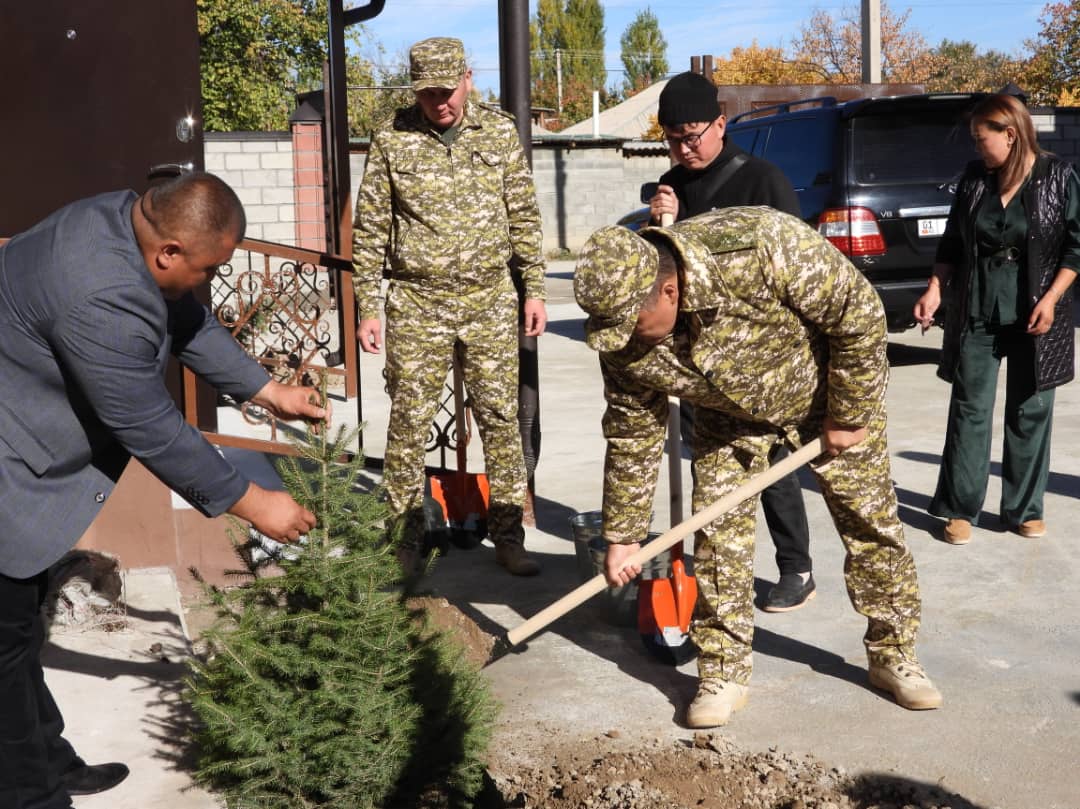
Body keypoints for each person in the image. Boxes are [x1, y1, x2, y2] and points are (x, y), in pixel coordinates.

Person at [0, 171, 327, 809]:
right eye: (208, 270)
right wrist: (256, 502)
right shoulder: (99, 294)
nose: (208, 281)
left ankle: (50, 762)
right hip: (8, 468)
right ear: (168, 253)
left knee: (14, 642)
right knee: (3, 653)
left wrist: (267, 390)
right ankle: (31, 796)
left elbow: (187, 319)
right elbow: (147, 423)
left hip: (20, 455)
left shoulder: (123, 215)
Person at [573, 206, 942, 728]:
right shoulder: (622, 341)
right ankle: (722, 671)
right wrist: (624, 534)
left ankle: (893, 653)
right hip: (729, 417)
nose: (623, 340)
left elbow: (859, 314)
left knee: (869, 524)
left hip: (826, 396)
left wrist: (849, 413)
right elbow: (633, 431)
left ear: (669, 292)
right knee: (719, 539)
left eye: (630, 323)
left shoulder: (757, 247)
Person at [351, 37, 547, 576]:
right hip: (418, 300)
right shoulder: (393, 137)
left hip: (488, 298)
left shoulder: (499, 131)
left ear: (467, 76)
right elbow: (370, 230)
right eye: (427, 92)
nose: (439, 102)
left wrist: (534, 288)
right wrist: (369, 306)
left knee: (501, 418)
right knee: (408, 421)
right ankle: (405, 540)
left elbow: (524, 216)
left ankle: (508, 535)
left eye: (447, 89)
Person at [647, 70, 815, 613]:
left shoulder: (762, 180)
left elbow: (799, 269)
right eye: (673, 137)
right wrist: (662, 227)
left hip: (762, 353)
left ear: (721, 123)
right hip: (701, 357)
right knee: (712, 465)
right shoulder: (673, 186)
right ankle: (724, 572)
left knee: (770, 462)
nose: (684, 147)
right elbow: (665, 277)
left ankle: (796, 568)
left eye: (693, 134)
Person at [913, 93, 1080, 545]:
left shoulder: (1057, 176)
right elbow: (951, 242)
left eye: (979, 138)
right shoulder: (974, 178)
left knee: (1030, 410)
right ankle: (959, 508)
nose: (975, 148)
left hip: (1037, 310)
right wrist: (935, 288)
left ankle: (1024, 509)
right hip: (978, 305)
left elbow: (1075, 246)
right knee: (970, 408)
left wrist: (1052, 298)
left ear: (1009, 134)